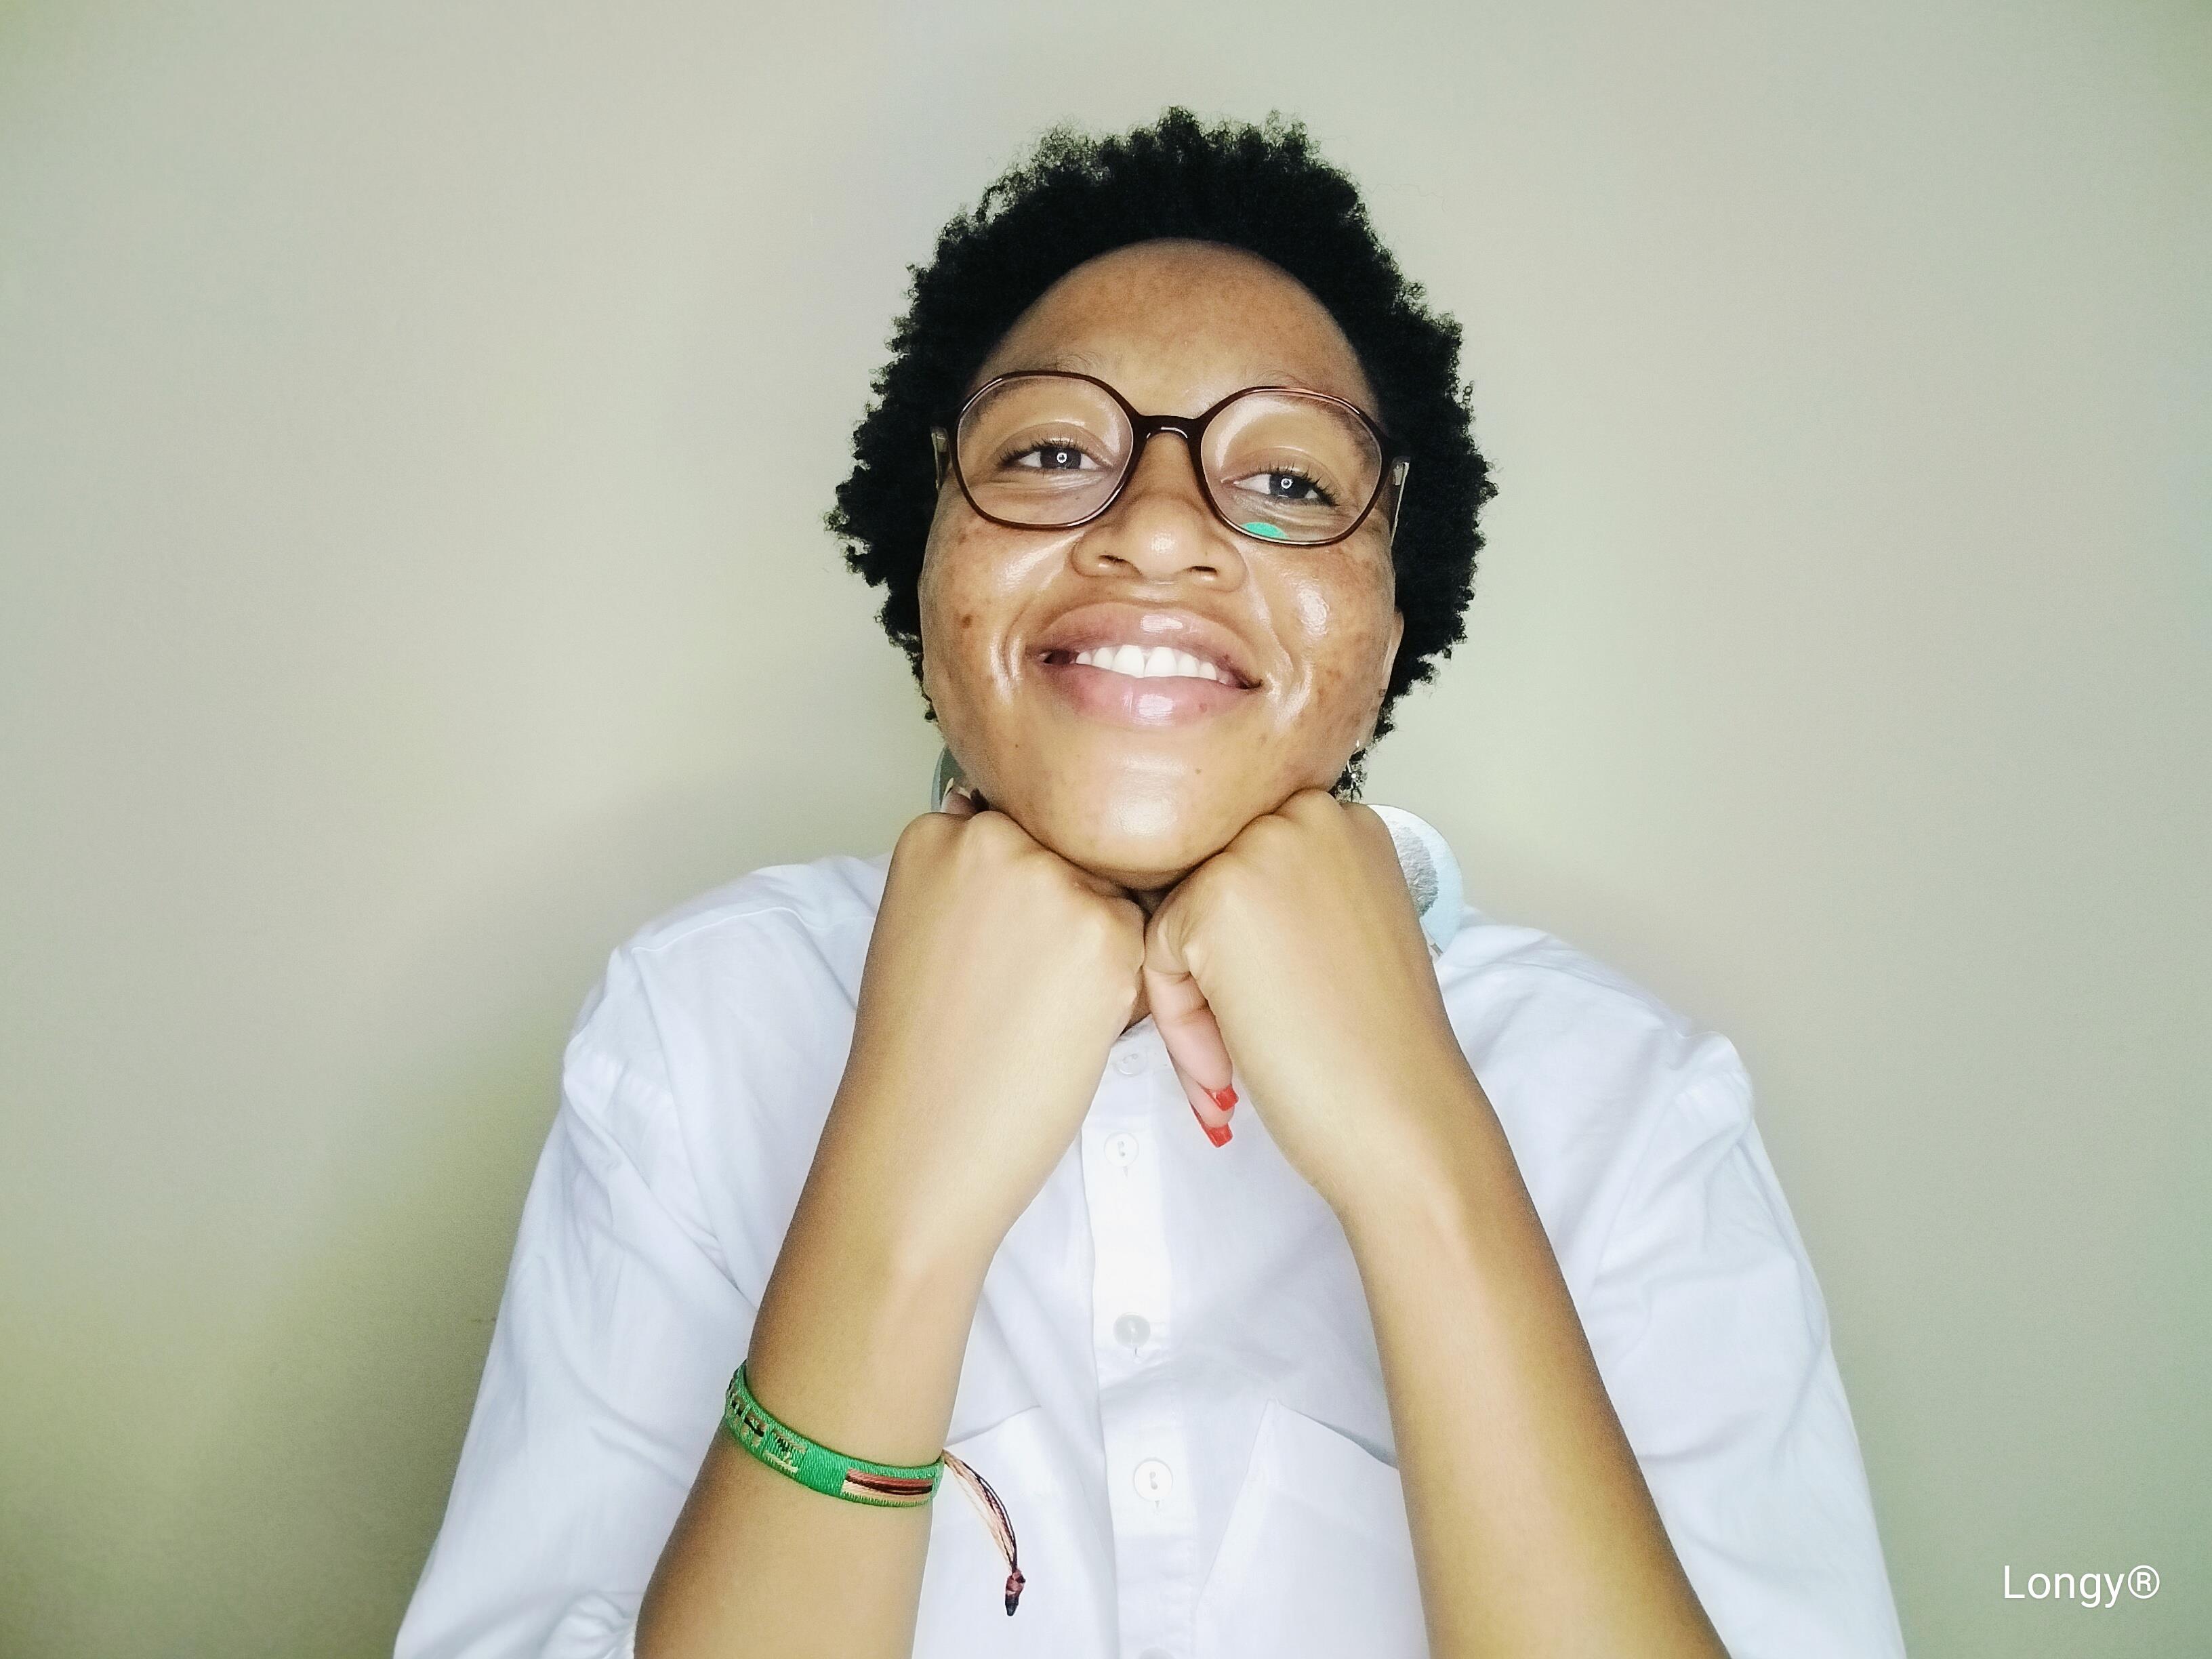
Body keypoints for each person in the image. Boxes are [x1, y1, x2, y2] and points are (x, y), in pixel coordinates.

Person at [395, 108, 1906, 1658]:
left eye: (1292, 482)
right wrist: (895, 1195)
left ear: (1393, 621)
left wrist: (1423, 1158)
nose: (1162, 529)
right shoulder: (696, 1030)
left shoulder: (1631, 1102)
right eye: (1054, 453)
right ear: (928, 556)